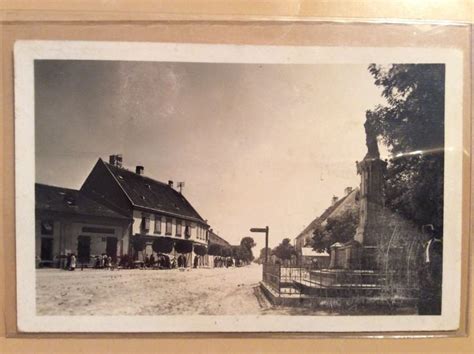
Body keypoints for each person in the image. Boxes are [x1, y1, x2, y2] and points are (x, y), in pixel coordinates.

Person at [418, 224, 443, 315]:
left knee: (433, 291)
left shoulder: (437, 243)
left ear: (430, 234)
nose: (424, 236)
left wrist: (432, 271)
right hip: (426, 270)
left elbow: (438, 259)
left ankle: (433, 310)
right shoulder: (424, 245)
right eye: (423, 234)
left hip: (433, 270)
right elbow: (422, 258)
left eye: (425, 234)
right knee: (425, 292)